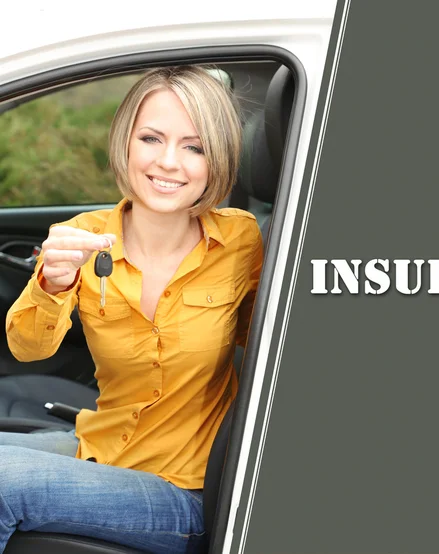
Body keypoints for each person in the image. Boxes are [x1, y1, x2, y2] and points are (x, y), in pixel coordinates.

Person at [1, 65, 263, 553]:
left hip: (186, 491)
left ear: (218, 159)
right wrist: (53, 283)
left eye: (195, 146)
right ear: (126, 140)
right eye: (151, 138)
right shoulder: (83, 234)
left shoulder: (242, 241)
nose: (168, 162)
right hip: (102, 451)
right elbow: (28, 348)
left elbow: (272, 345)